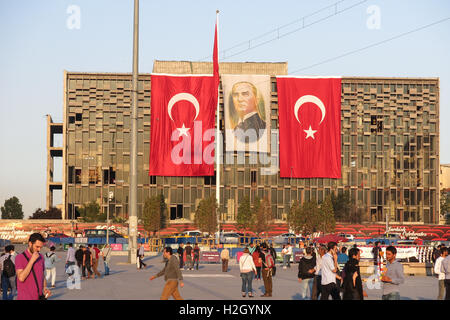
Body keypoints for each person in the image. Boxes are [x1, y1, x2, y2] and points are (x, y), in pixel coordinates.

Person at [15, 233, 52, 300]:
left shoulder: (40, 257)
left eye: (41, 247)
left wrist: (45, 288)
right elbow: (21, 278)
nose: (39, 250)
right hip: (25, 297)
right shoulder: (19, 257)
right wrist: (31, 261)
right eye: (37, 247)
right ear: (30, 244)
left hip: (39, 297)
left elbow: (42, 275)